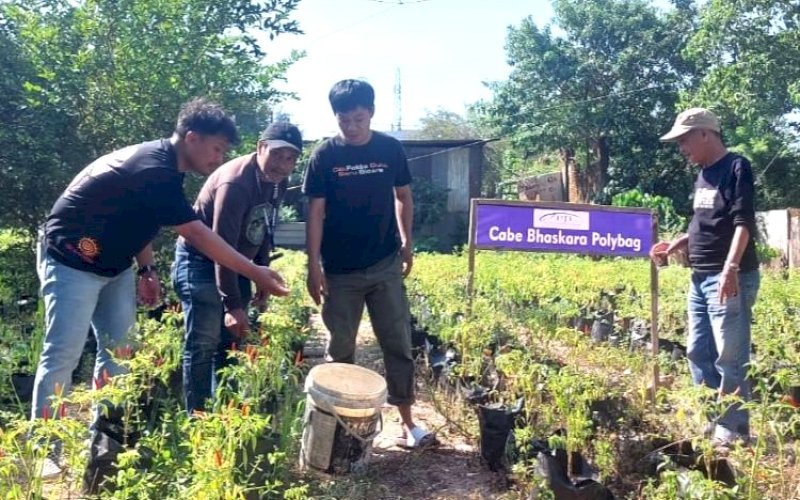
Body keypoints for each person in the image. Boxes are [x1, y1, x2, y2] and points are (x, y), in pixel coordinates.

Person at [32, 98, 289, 477]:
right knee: (63, 354)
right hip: (71, 259)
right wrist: (253, 270)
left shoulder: (167, 169)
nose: (218, 158)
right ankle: (45, 449)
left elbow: (135, 218)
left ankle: (102, 439)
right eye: (216, 148)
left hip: (114, 264)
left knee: (120, 354)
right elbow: (197, 233)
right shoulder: (153, 167)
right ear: (192, 137)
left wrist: (146, 269)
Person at [303, 79, 433, 448]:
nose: (352, 127)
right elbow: (315, 213)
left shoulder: (390, 149)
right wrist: (314, 266)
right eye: (344, 120)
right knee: (341, 349)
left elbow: (403, 196)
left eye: (359, 118)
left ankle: (408, 423)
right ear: (336, 118)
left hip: (384, 263)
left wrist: (407, 240)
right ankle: (341, 432)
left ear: (371, 113)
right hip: (340, 270)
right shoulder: (325, 155)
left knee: (397, 342)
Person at [173, 122, 302, 414]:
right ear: (260, 147)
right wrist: (232, 304)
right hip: (202, 261)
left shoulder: (276, 181)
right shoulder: (236, 183)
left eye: (291, 158)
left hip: (238, 264)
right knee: (204, 342)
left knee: (233, 341)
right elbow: (221, 246)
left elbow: (263, 228)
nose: (283, 165)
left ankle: (228, 413)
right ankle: (200, 419)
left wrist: (262, 276)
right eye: (278, 154)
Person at [652, 107, 760, 447]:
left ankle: (733, 427)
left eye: (684, 140)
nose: (682, 147)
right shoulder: (703, 174)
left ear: (704, 134)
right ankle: (714, 419)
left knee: (730, 355)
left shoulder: (736, 167)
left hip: (728, 277)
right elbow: (705, 222)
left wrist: (730, 269)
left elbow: (743, 224)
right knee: (698, 351)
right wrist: (678, 243)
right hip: (700, 277)